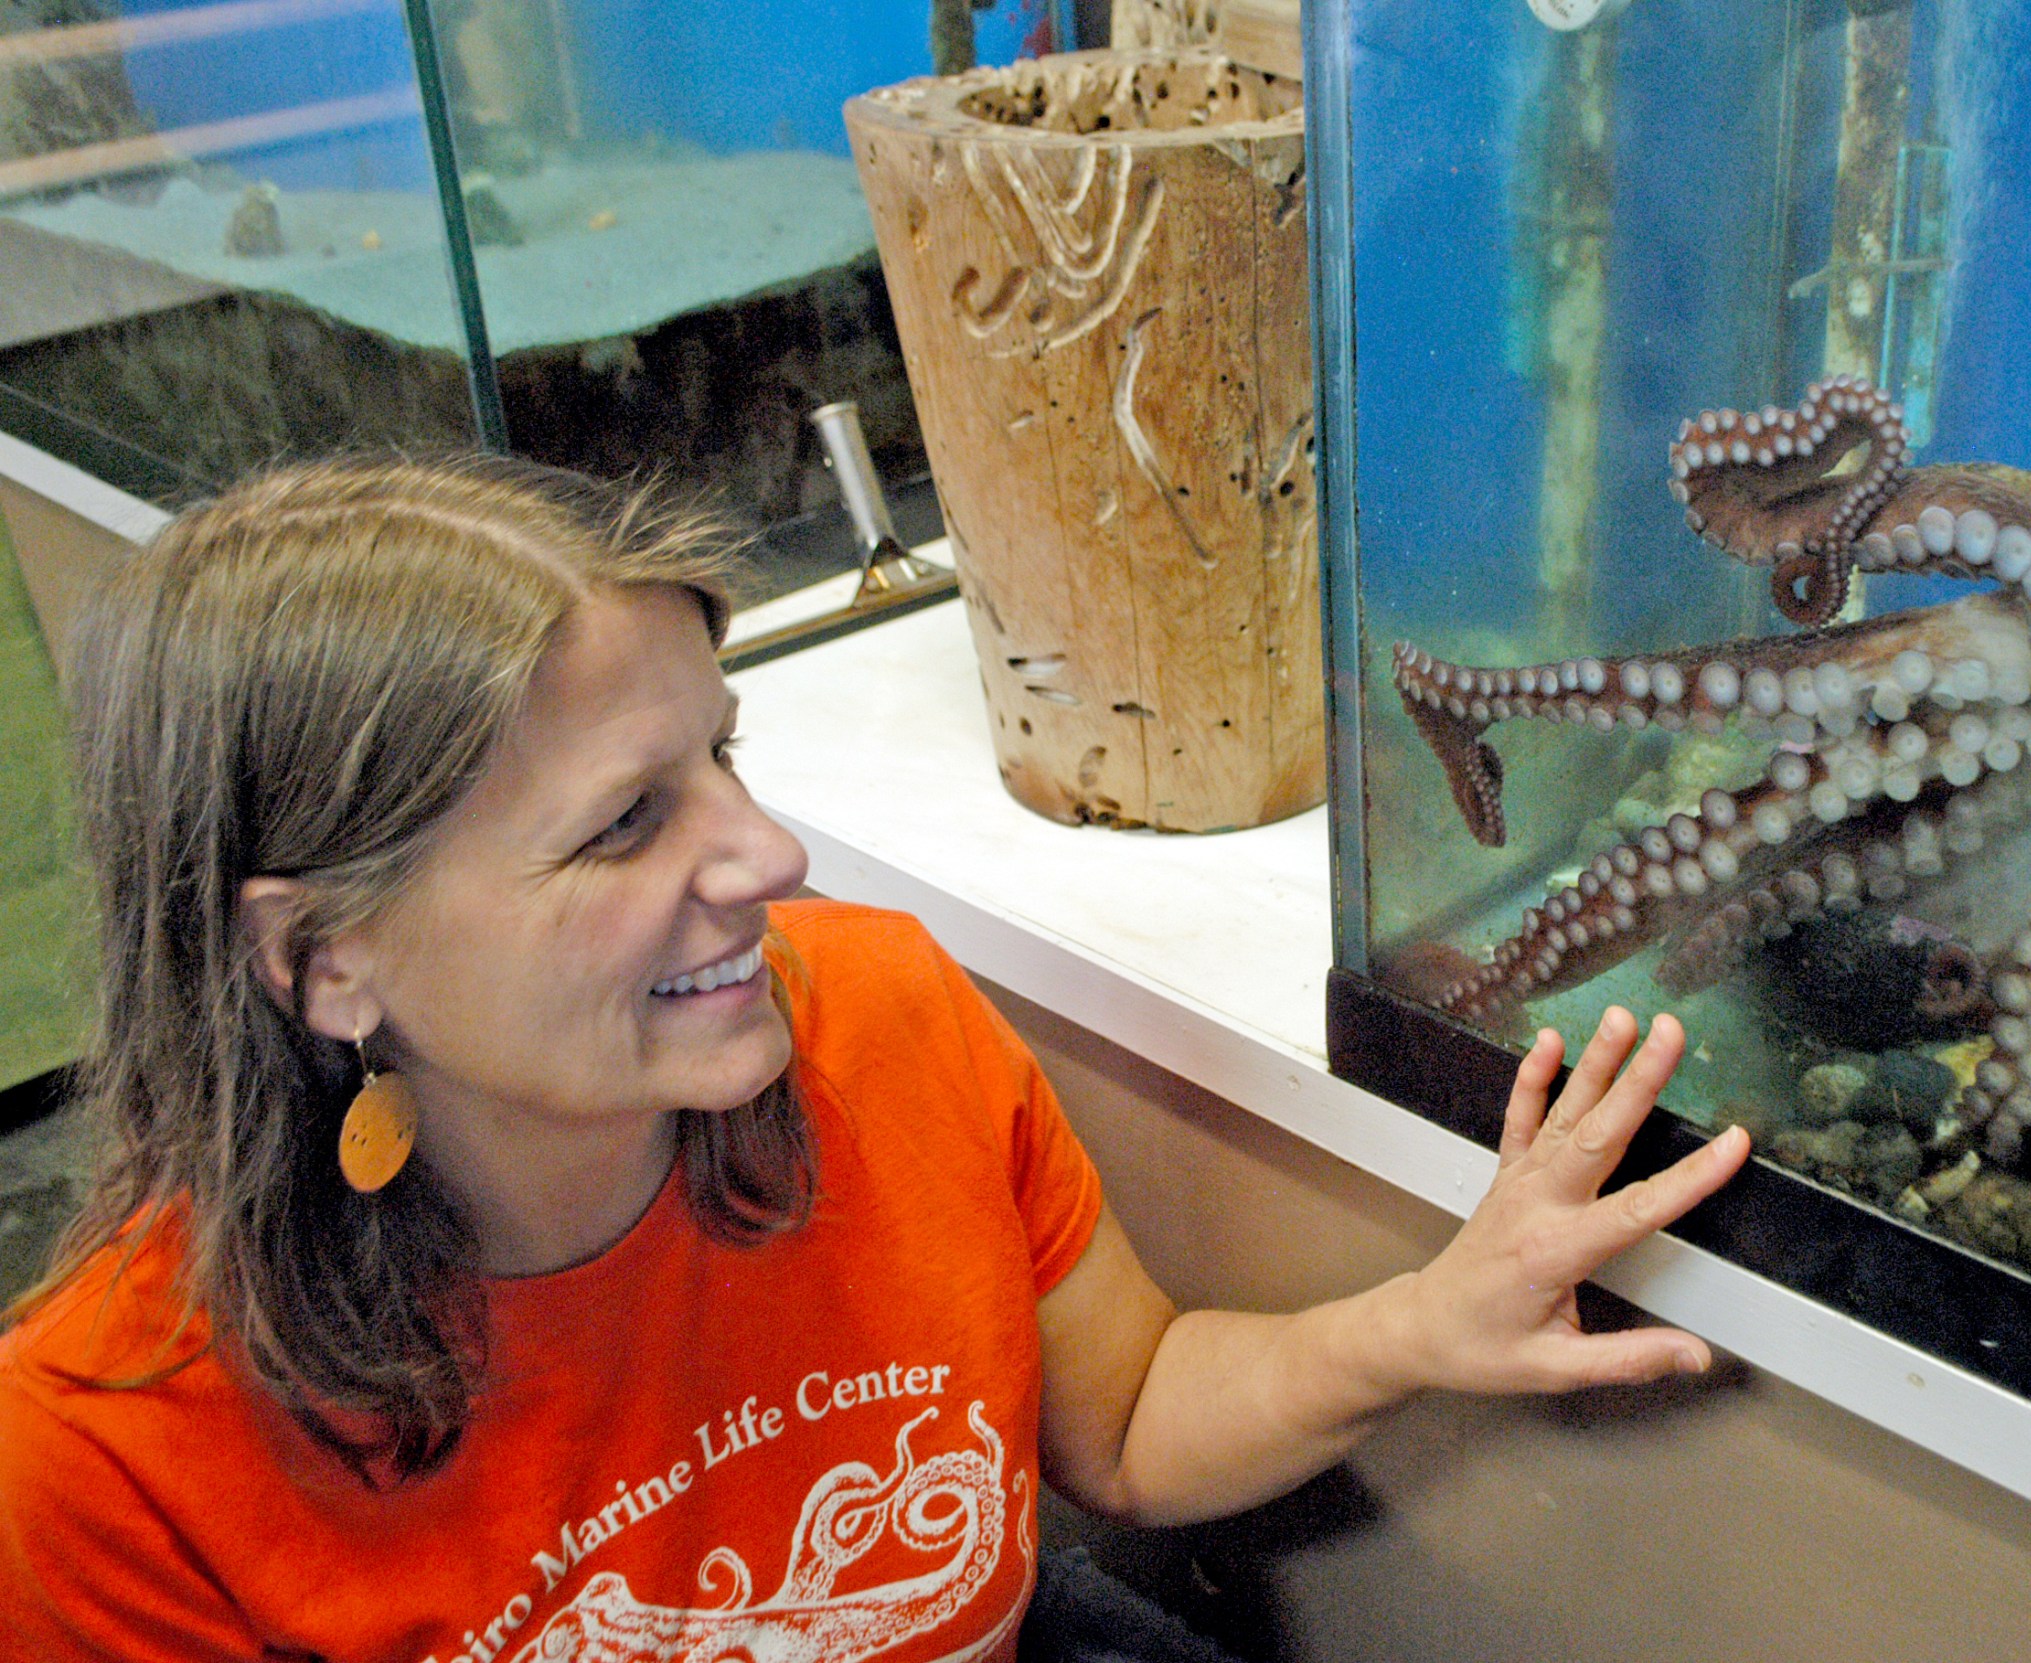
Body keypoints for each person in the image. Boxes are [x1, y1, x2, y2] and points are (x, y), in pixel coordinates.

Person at [0, 454, 1751, 1661]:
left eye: (724, 759)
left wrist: (1429, 1319)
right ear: (326, 960)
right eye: (624, 827)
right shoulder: (97, 1464)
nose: (769, 860)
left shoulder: (884, 1012)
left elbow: (1126, 1421)